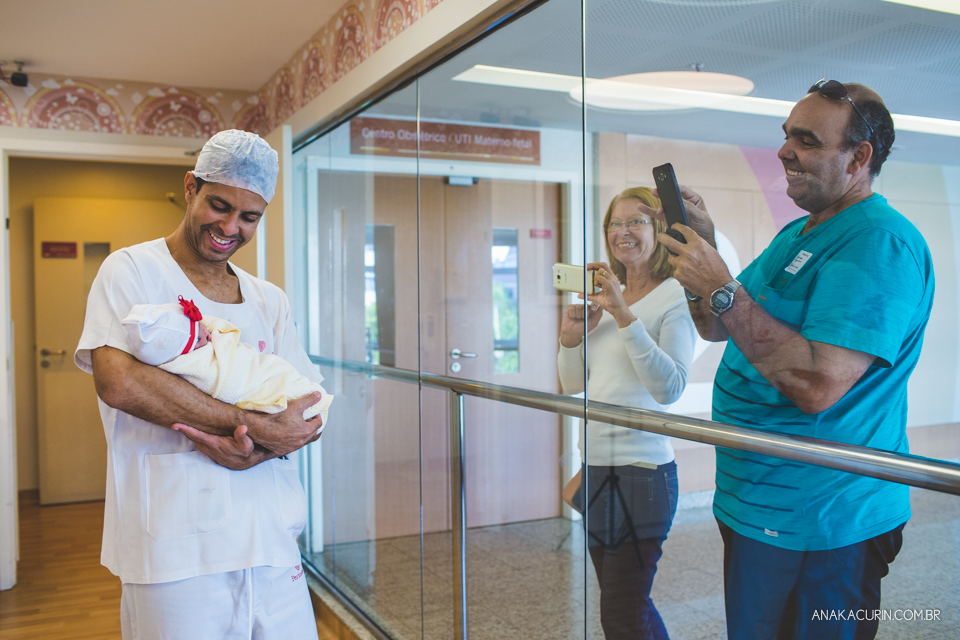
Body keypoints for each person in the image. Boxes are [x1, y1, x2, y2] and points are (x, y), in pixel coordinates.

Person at [653, 81, 934, 639]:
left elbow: (816, 384)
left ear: (860, 157)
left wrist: (725, 289)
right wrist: (705, 258)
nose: (784, 151)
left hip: (825, 522)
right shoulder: (797, 234)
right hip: (756, 503)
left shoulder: (879, 243)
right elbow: (716, 324)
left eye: (806, 140)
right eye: (786, 136)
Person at [75, 129, 325, 640]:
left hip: (271, 538)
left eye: (249, 217)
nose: (230, 226)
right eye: (219, 205)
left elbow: (309, 407)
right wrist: (252, 426)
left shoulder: (267, 300)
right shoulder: (131, 271)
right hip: (174, 546)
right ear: (190, 187)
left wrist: (255, 449)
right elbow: (120, 383)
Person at [557, 187, 697, 639]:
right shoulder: (602, 293)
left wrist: (623, 315)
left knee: (620, 613)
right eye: (614, 224)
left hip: (642, 473)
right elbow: (574, 384)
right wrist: (570, 339)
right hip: (598, 467)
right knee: (627, 605)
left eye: (635, 222)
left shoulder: (674, 294)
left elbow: (670, 387)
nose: (623, 232)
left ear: (658, 230)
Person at [122, 298, 333, 424]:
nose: (209, 335)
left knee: (299, 390)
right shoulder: (196, 365)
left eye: (249, 219)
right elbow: (229, 386)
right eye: (200, 338)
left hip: (269, 375)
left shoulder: (271, 297)